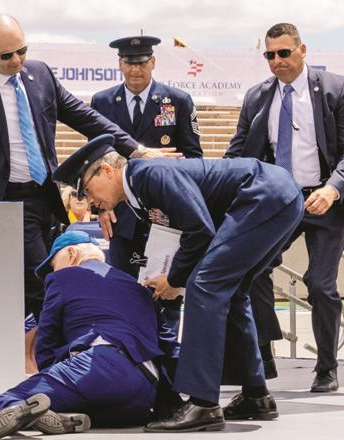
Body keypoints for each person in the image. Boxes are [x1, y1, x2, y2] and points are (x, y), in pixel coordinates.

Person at [0, 14, 176, 320]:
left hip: (43, 200)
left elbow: (86, 118)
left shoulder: (41, 75)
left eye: (22, 51)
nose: (16, 61)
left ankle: (35, 352)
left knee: (39, 285)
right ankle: (47, 354)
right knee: (45, 285)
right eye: (6, 55)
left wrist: (137, 150)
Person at [54, 134, 304, 432]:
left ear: (106, 171)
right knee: (231, 291)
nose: (91, 202)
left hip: (263, 195)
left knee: (205, 286)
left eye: (87, 190)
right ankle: (256, 396)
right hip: (275, 195)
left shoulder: (149, 174)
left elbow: (199, 229)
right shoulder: (140, 190)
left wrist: (174, 280)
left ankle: (203, 405)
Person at [225, 23, 344, 392]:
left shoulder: (335, 90)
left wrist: (333, 189)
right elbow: (238, 151)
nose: (277, 61)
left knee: (321, 285)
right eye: (270, 55)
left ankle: (326, 367)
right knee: (252, 270)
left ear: (302, 50)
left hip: (325, 200)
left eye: (284, 53)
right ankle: (263, 354)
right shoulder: (257, 97)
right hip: (280, 201)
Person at [0, 231, 164, 440]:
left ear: (71, 253)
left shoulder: (62, 277)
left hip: (97, 365)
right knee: (91, 409)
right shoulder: (137, 286)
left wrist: (49, 375)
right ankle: (65, 418)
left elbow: (47, 340)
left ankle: (34, 413)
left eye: (54, 264)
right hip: (145, 388)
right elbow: (164, 342)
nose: (54, 270)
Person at [90, 36, 202, 370]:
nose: (135, 69)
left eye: (141, 62)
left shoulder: (177, 100)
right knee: (125, 290)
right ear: (119, 64)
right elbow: (95, 165)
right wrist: (102, 207)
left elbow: (192, 157)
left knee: (166, 294)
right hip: (122, 215)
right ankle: (131, 364)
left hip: (166, 217)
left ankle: (168, 368)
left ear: (153, 63)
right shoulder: (102, 102)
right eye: (129, 62)